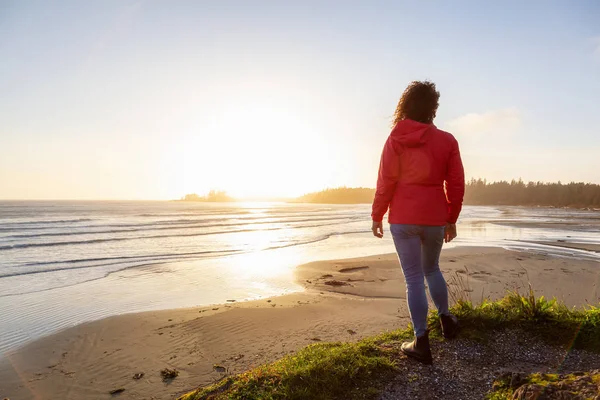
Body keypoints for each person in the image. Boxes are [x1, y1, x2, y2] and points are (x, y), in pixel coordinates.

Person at [371, 80, 465, 365]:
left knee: (413, 279)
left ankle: (421, 341)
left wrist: (377, 214)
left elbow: (386, 181)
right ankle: (446, 321)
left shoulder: (396, 138)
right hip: (435, 218)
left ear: (405, 106)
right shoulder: (447, 140)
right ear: (433, 108)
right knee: (432, 269)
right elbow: (457, 184)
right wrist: (451, 219)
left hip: (403, 218)